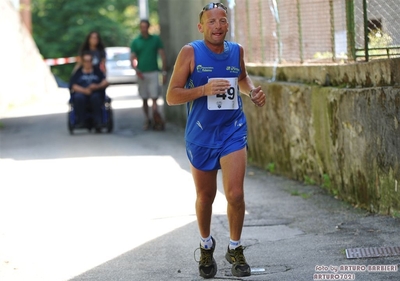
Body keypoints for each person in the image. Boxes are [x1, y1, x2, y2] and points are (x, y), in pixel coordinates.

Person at [166, 2, 266, 279]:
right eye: (212, 22)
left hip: (232, 129)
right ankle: (206, 245)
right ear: (201, 27)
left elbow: (242, 78)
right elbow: (172, 96)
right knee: (206, 197)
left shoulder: (236, 51)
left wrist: (252, 92)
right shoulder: (190, 52)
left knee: (235, 194)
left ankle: (235, 247)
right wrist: (204, 89)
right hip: (201, 133)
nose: (218, 26)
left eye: (222, 21)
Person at [130, 19, 167, 130]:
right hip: (142, 73)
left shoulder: (155, 39)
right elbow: (132, 58)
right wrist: (136, 70)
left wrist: (164, 72)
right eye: (142, 27)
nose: (144, 29)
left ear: (148, 27)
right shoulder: (136, 41)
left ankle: (156, 117)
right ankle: (147, 119)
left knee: (154, 97)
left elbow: (162, 55)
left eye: (145, 26)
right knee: (144, 98)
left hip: (154, 71)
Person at [69, 51, 109, 131]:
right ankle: (81, 121)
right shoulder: (78, 72)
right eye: (86, 61)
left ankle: (98, 121)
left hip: (95, 92)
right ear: (83, 62)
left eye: (90, 61)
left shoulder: (97, 71)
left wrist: (97, 86)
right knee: (78, 98)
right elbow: (73, 85)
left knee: (96, 98)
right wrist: (84, 90)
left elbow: (105, 81)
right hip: (82, 93)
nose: (88, 63)